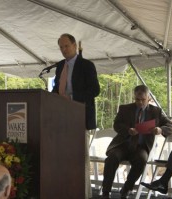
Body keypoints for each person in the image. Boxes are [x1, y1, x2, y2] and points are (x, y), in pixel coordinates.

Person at [102, 85, 172, 199]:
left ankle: (127, 188)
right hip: (123, 144)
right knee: (112, 158)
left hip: (141, 146)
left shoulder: (156, 111)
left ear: (149, 98)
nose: (140, 102)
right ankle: (105, 192)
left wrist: (160, 129)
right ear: (134, 97)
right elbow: (116, 125)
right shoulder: (125, 109)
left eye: (143, 100)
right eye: (137, 99)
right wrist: (128, 130)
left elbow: (171, 125)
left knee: (142, 160)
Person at [51, 33, 100, 198]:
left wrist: (71, 98)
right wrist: (50, 97)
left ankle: (84, 193)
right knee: (64, 156)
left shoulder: (86, 65)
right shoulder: (59, 66)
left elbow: (94, 90)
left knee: (80, 159)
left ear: (74, 45)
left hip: (80, 116)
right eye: (61, 47)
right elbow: (58, 89)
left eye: (66, 46)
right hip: (62, 117)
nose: (64, 50)